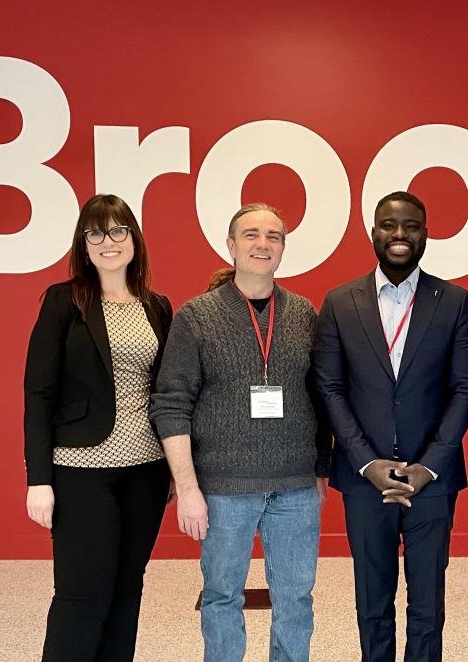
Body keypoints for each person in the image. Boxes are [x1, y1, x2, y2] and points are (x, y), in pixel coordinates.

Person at [149, 203, 329, 662]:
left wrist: (321, 472)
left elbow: (324, 397)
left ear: (284, 248)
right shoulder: (198, 316)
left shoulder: (305, 313)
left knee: (296, 600)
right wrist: (187, 488)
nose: (262, 244)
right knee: (222, 597)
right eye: (250, 234)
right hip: (223, 489)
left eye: (273, 235)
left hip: (294, 488)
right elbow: (171, 404)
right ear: (231, 246)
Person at [312, 191, 468, 662]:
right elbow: (329, 389)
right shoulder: (340, 302)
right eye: (389, 225)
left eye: (411, 226)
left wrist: (429, 465)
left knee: (427, 603)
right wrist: (365, 461)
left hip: (433, 479)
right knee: (373, 600)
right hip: (365, 480)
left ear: (426, 234)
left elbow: (466, 388)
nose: (400, 235)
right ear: (373, 233)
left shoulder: (455, 301)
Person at [22, 194, 173, 662]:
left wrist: (173, 470)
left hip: (146, 471)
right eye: (96, 232)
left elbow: (167, 393)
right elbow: (38, 392)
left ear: (134, 239)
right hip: (80, 467)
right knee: (81, 595)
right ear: (83, 243)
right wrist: (39, 479)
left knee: (128, 590)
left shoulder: (158, 306)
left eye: (118, 231)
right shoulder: (64, 301)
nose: (108, 241)